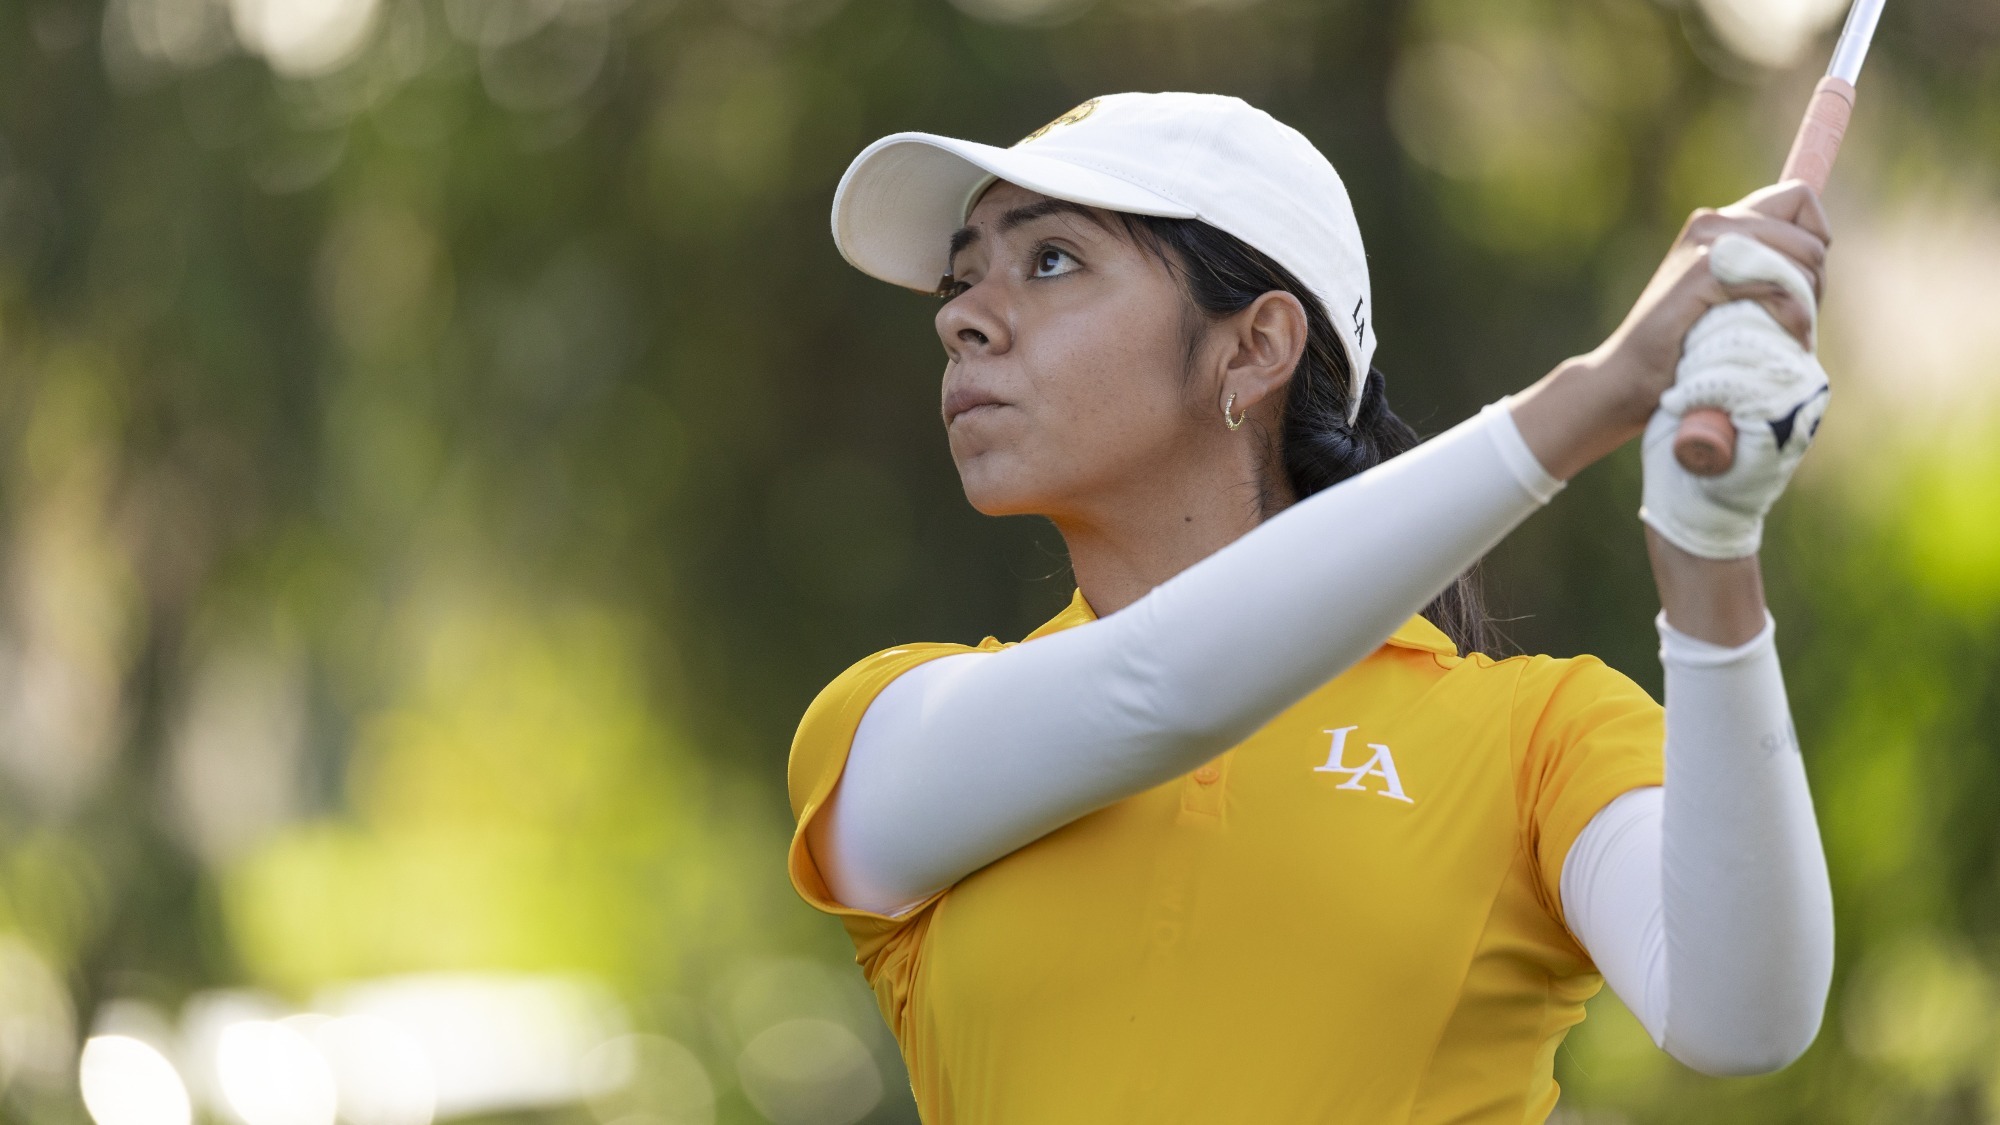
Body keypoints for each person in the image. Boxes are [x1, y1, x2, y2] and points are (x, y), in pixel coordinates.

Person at [786, 92, 1836, 1123]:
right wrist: (1591, 395)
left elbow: (1739, 1020)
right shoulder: (881, 727)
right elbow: (1161, 690)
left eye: (1049, 259)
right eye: (960, 279)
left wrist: (1708, 550)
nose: (962, 317)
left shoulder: (1536, 736)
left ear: (1253, 347)